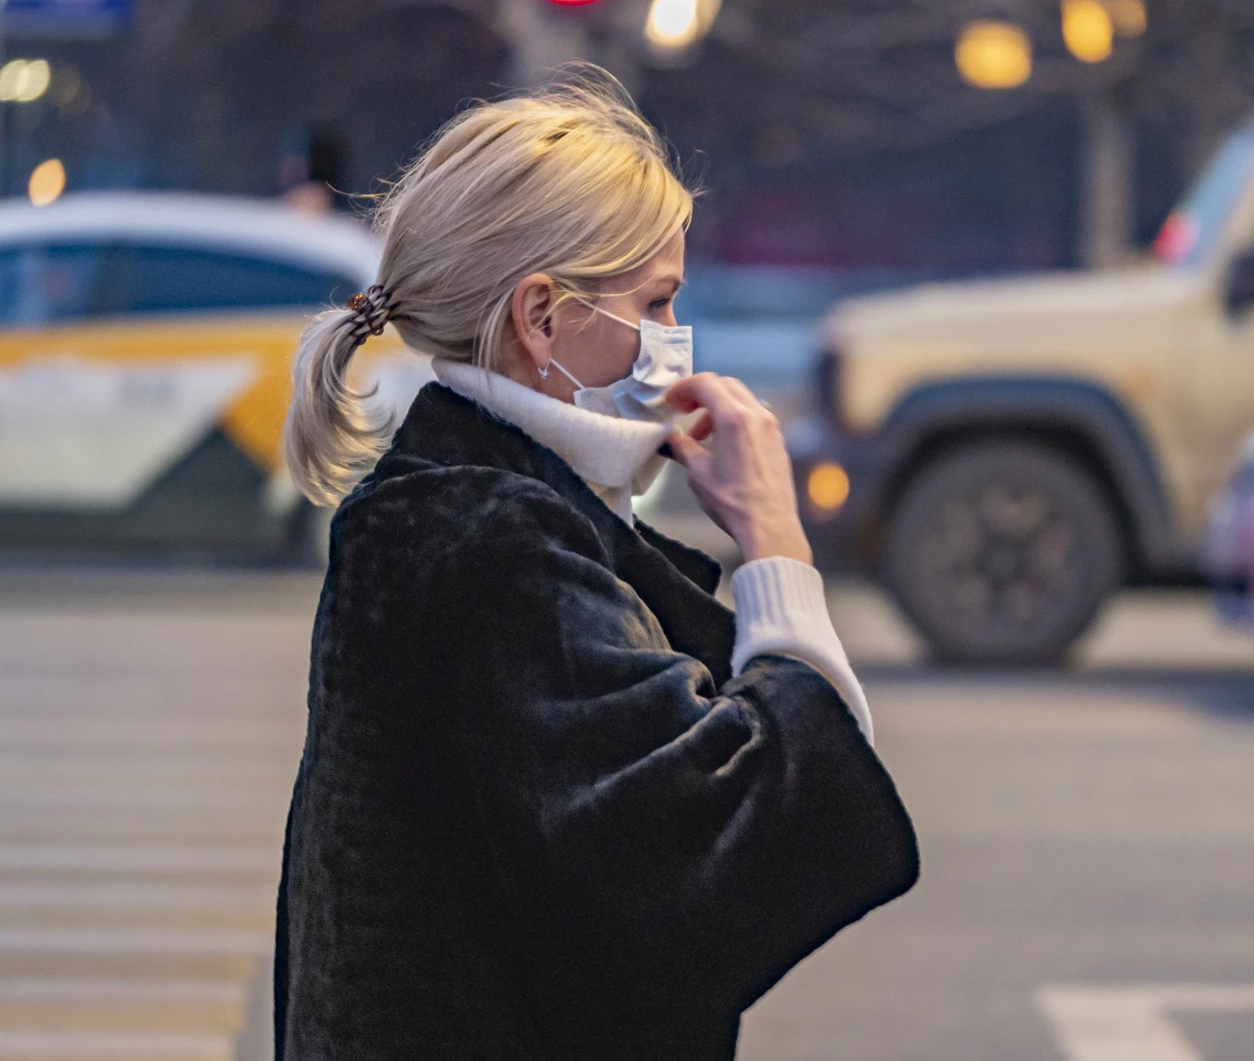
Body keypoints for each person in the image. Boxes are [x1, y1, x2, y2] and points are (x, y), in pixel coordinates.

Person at [272, 68, 919, 1061]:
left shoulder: (466, 502)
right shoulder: (490, 540)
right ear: (540, 319)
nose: (671, 346)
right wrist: (774, 546)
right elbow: (749, 846)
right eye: (656, 304)